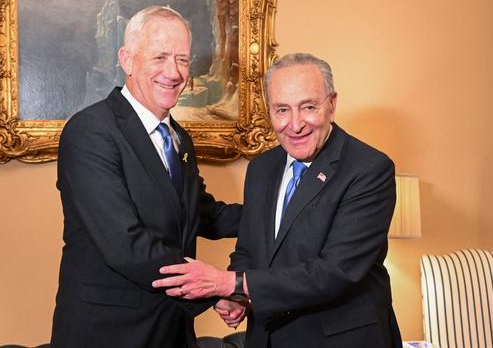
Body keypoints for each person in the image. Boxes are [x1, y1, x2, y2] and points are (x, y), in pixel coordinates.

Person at [153, 53, 402, 347]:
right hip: (269, 336)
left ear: (332, 105)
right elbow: (249, 248)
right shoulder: (262, 168)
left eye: (308, 107)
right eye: (282, 110)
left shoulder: (369, 169)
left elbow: (335, 272)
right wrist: (238, 296)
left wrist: (228, 283)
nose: (295, 125)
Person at [50, 6, 242, 348]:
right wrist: (213, 291)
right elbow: (127, 246)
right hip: (109, 334)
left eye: (183, 59)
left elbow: (202, 213)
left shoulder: (178, 138)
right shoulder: (90, 132)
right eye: (161, 57)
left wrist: (279, 212)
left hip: (171, 332)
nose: (174, 72)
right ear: (127, 60)